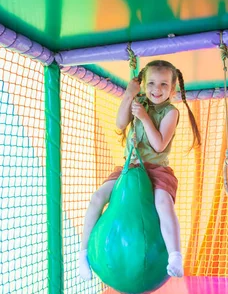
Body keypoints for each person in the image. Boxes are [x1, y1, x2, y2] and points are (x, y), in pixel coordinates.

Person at [78, 60, 201, 281]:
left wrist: (144, 117)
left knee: (163, 203)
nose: (157, 89)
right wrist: (128, 95)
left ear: (172, 89)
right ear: (143, 85)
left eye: (164, 84)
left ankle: (175, 256)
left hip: (156, 170)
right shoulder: (138, 101)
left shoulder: (171, 112)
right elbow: (119, 123)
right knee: (97, 197)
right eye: (151, 83)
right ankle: (83, 255)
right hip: (130, 166)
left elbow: (159, 145)